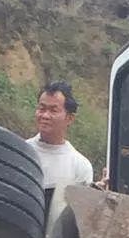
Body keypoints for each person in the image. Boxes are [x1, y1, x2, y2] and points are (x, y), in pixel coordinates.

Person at [26, 81, 93, 210]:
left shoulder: (80, 166)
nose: (45, 115)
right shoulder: (22, 152)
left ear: (70, 118)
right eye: (42, 108)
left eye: (53, 110)